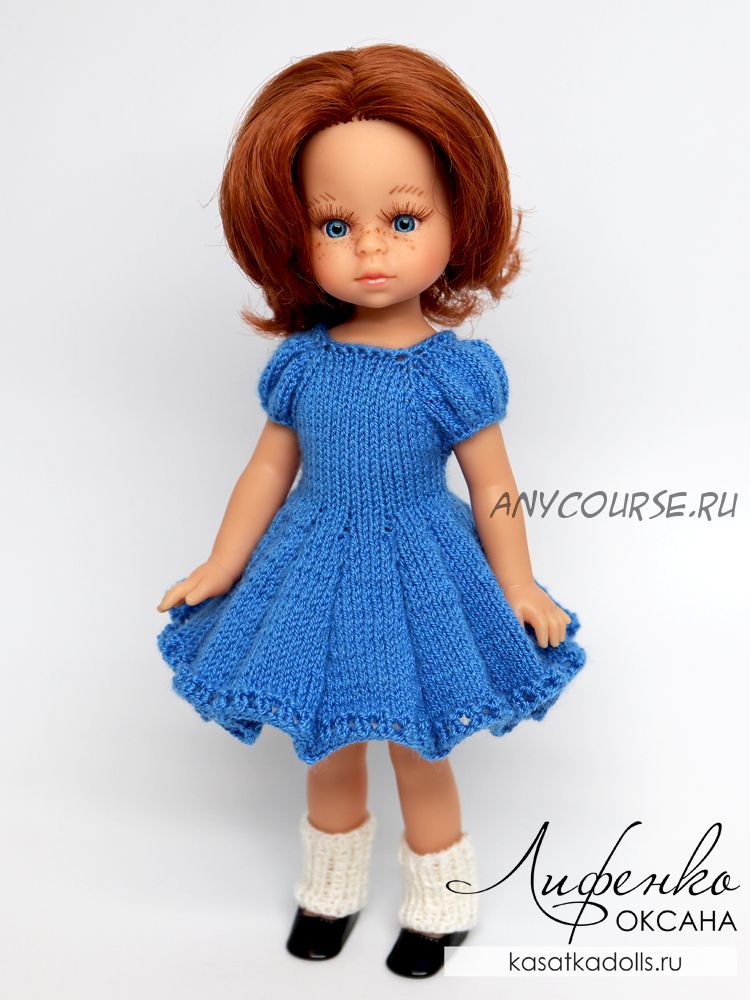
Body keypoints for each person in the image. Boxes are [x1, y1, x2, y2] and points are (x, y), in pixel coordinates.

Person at [156, 43, 586, 979]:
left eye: (402, 218)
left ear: (458, 218)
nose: (373, 248)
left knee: (419, 744)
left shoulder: (449, 373)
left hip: (421, 567)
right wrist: (223, 564)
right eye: (335, 224)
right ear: (292, 236)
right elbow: (266, 472)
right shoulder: (304, 364)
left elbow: (494, 484)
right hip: (315, 567)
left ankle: (443, 900)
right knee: (328, 741)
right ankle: (331, 889)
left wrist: (518, 581)